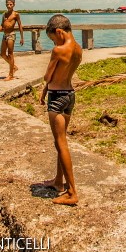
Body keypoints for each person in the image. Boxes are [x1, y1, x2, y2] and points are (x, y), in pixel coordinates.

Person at [39, 14, 82, 206]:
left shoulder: (58, 50)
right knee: (61, 140)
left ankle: (72, 192)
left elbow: (48, 76)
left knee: (61, 143)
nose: (53, 43)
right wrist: (46, 88)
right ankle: (58, 181)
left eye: (53, 38)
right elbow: (63, 73)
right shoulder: (78, 49)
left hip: (56, 98)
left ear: (59, 32)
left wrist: (46, 85)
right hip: (69, 95)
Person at [0, 0, 24, 80]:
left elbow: (20, 25)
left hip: (11, 35)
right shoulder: (4, 14)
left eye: (10, 4)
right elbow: (2, 25)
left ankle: (11, 75)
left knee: (10, 54)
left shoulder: (16, 14)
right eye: (7, 4)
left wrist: (22, 37)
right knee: (2, 54)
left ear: (14, 5)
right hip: (5, 35)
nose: (9, 6)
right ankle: (14, 67)